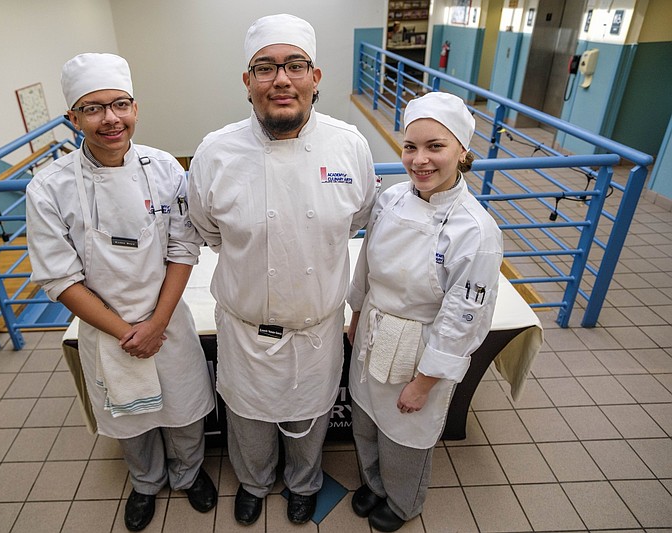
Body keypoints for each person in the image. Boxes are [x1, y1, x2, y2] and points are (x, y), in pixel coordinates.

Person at [187, 13, 377, 526]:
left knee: (311, 417)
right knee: (247, 419)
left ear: (316, 78)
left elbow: (357, 219)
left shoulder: (349, 146)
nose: (281, 79)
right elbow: (204, 229)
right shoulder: (215, 152)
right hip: (245, 330)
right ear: (247, 82)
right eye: (265, 68)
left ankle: (303, 483)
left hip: (317, 331)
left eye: (295, 65)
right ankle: (253, 482)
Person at [25, 53, 216, 532]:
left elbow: (182, 249)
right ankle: (146, 482)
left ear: (135, 107)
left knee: (184, 406)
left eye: (120, 105)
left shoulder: (165, 168)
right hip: (104, 326)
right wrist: (126, 332)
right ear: (73, 118)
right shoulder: (49, 187)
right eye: (93, 109)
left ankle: (188, 473)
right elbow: (59, 277)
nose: (110, 119)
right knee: (130, 420)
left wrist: (155, 325)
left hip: (166, 318)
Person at [346, 91, 503, 531]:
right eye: (411, 147)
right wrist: (357, 315)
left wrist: (424, 382)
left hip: (419, 347)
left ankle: (402, 502)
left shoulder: (475, 231)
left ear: (463, 151)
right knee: (367, 420)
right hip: (374, 329)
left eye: (436, 147)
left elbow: (462, 320)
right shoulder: (392, 199)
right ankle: (375, 484)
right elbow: (366, 267)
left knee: (406, 437)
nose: (420, 160)